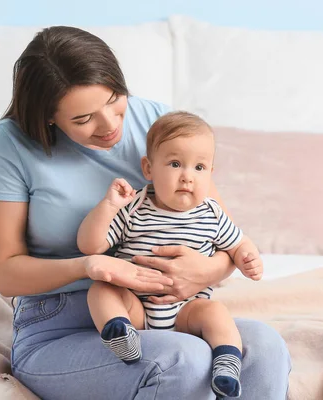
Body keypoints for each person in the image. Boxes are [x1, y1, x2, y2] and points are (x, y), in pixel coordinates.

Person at [0, 25, 291, 400]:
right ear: (48, 117)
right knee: (181, 359)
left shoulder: (157, 122)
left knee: (266, 346)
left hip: (169, 310)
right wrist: (89, 266)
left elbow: (215, 225)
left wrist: (209, 270)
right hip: (59, 323)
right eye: (83, 119)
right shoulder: (8, 145)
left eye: (114, 99)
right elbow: (6, 274)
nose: (110, 125)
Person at [78, 111, 265, 398]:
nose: (187, 177)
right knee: (101, 290)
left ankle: (227, 361)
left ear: (211, 174)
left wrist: (248, 258)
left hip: (186, 313)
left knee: (215, 312)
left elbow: (237, 243)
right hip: (136, 307)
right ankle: (120, 333)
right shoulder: (135, 208)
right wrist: (108, 206)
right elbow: (91, 246)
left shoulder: (211, 214)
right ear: (149, 169)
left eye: (199, 167)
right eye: (175, 164)